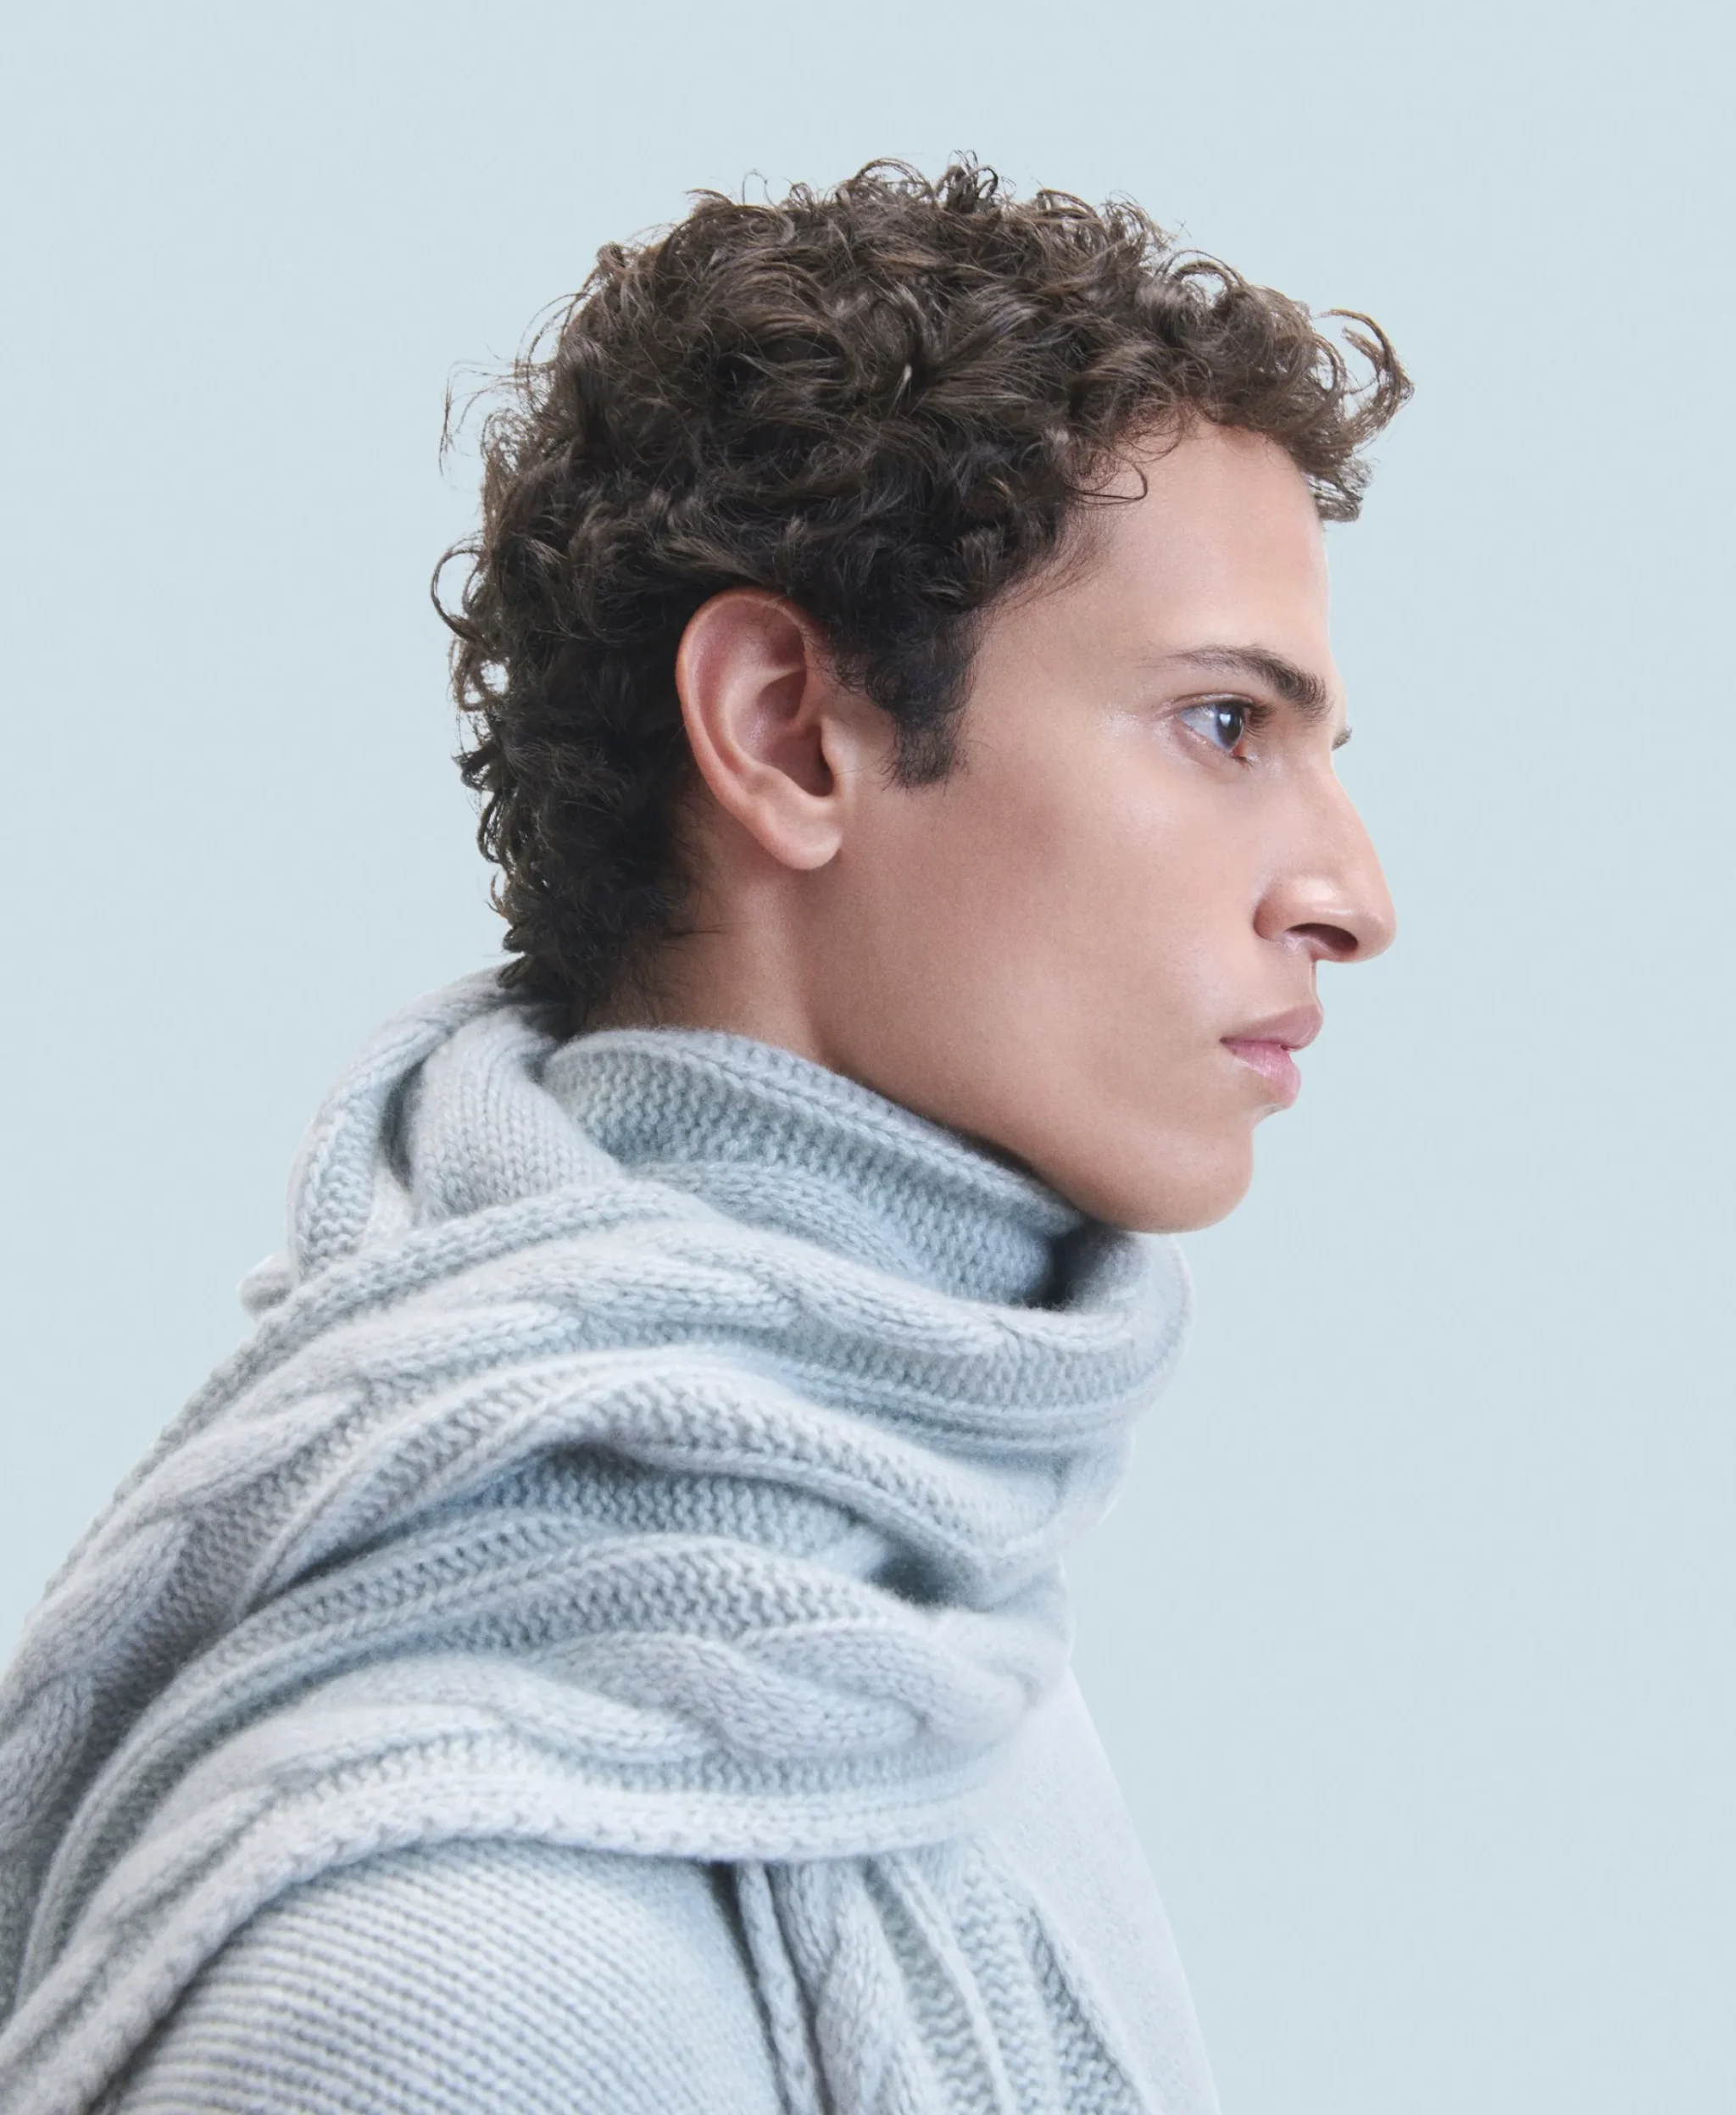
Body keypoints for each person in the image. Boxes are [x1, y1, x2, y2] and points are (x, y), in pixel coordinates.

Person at [0, 159, 1405, 2115]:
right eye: (1224, 724)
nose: (1351, 894)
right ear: (787, 731)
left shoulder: (910, 1614)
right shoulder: (463, 1976)